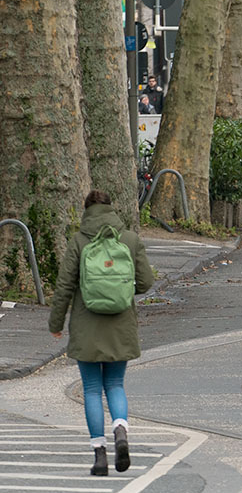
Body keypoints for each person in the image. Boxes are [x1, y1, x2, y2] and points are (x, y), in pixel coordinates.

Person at [48, 190, 154, 475]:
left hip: (87, 324)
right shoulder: (130, 239)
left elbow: (64, 288)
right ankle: (120, 429)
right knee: (116, 385)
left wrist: (55, 324)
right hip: (121, 324)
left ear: (86, 211)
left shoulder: (80, 241)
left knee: (92, 389)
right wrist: (121, 288)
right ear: (111, 209)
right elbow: (146, 282)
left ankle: (100, 456)